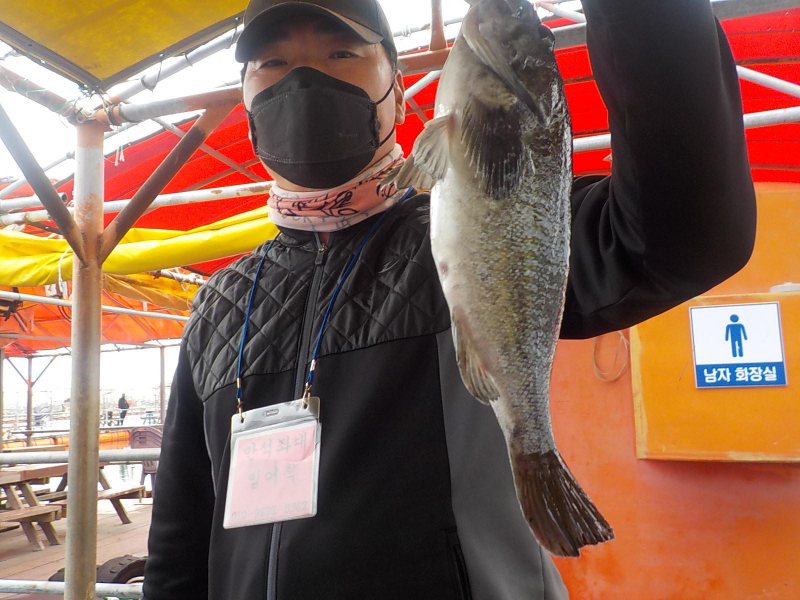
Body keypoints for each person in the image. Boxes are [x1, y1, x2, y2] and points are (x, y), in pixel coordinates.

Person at [143, 0, 757, 598]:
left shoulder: (473, 227)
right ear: (246, 99)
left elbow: (686, 236)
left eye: (342, 53)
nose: (303, 80)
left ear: (398, 88)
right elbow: (180, 533)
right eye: (272, 64)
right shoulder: (219, 302)